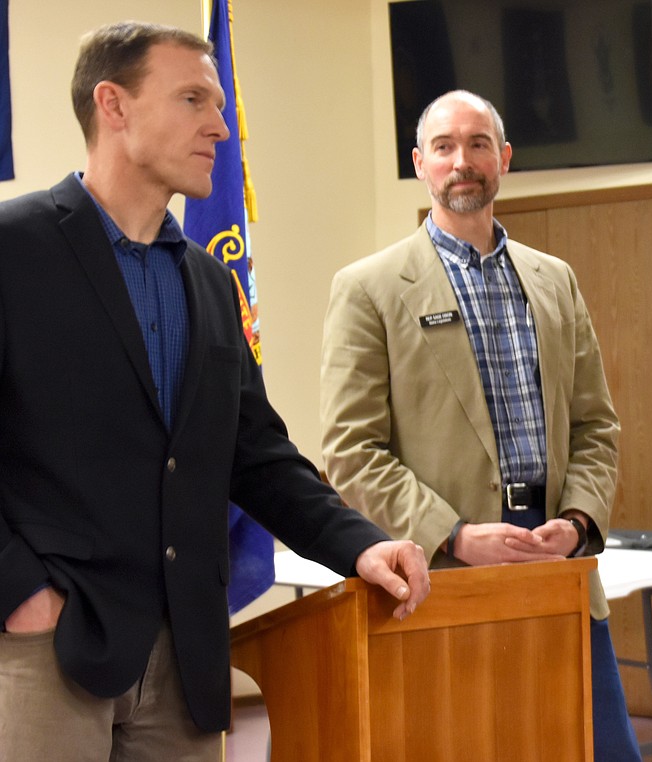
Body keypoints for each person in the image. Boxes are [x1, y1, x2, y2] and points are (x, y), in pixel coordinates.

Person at [0, 21, 430, 761]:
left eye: (220, 106)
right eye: (194, 100)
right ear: (115, 105)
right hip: (50, 652)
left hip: (188, 657)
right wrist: (20, 594)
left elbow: (256, 454)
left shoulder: (210, 282)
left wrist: (359, 545)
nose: (220, 129)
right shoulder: (13, 248)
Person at [320, 89, 642, 760]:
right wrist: (455, 535)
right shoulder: (370, 289)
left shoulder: (555, 281)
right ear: (419, 164)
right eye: (443, 147)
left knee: (595, 750)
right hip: (442, 569)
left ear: (504, 158)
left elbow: (596, 426)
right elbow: (351, 450)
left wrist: (579, 525)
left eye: (477, 144)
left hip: (557, 564)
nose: (461, 161)